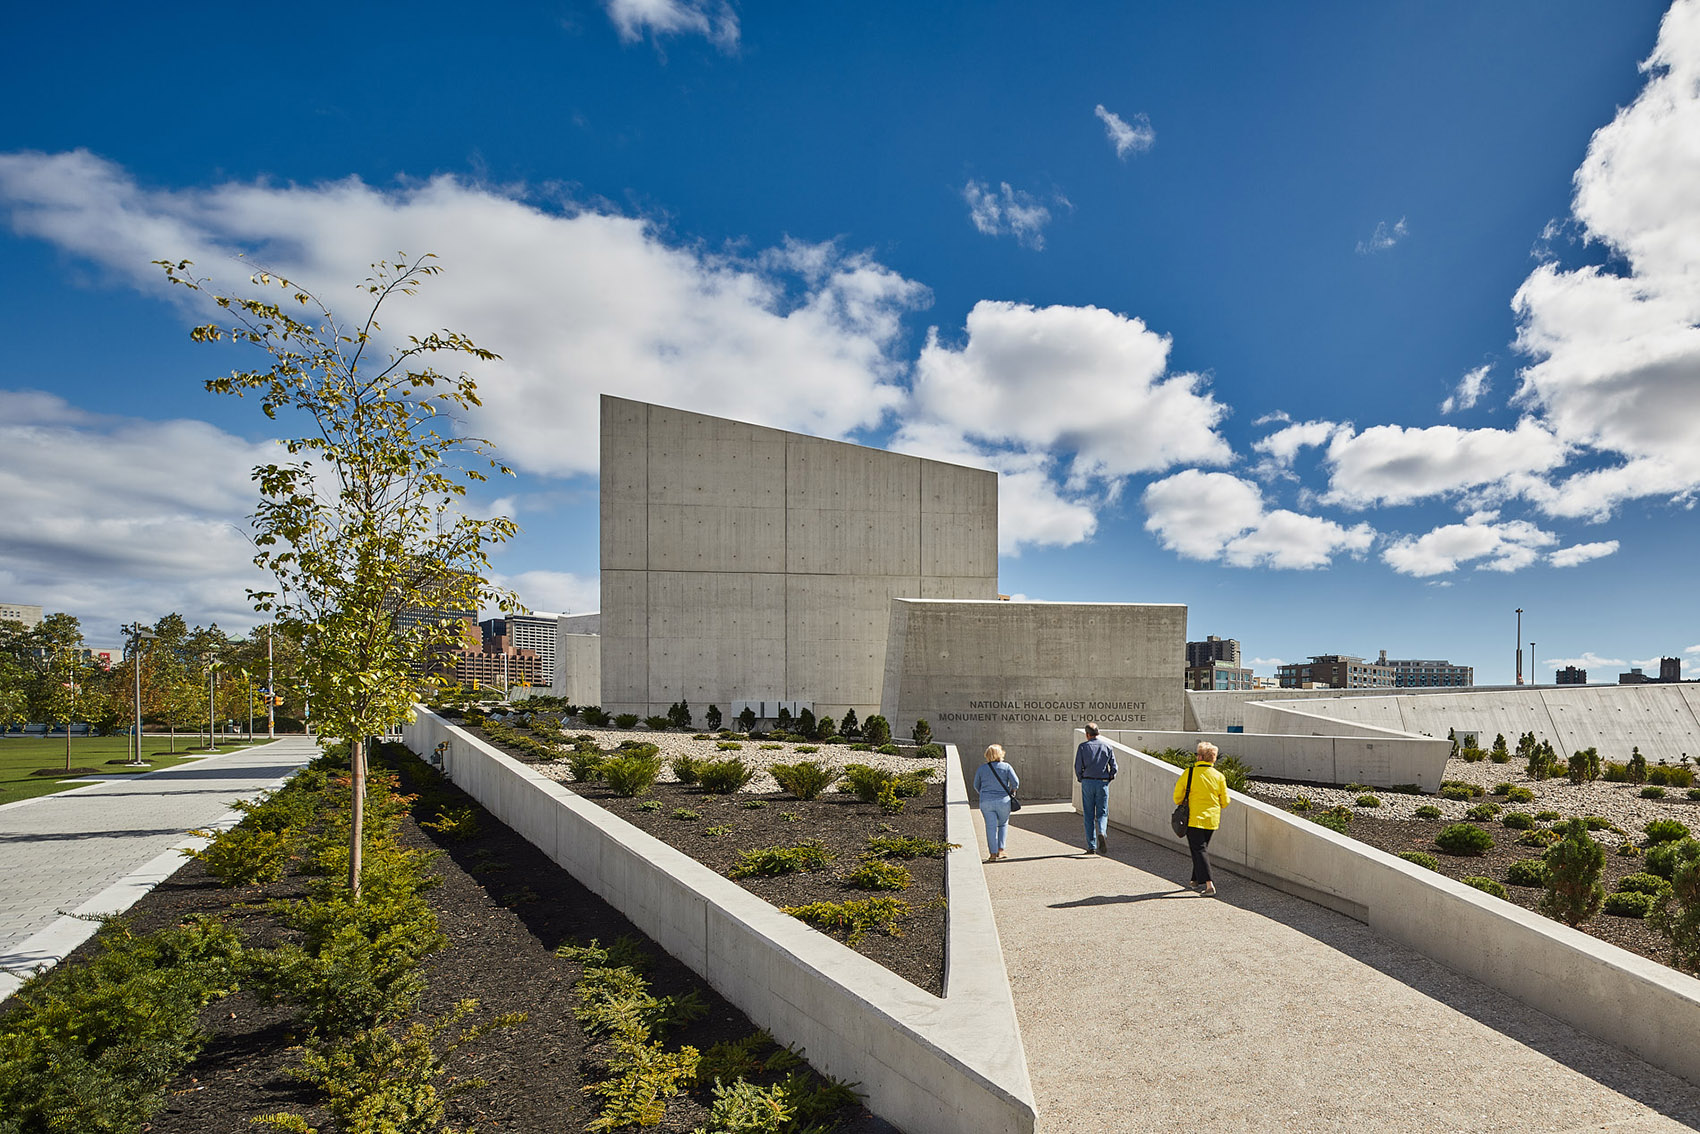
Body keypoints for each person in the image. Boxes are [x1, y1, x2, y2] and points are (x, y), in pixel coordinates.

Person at [1174, 740, 1231, 896]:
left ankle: (1208, 885)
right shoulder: (1219, 776)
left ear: (1199, 757)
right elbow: (1225, 801)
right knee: (1200, 849)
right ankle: (1194, 880)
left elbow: (1177, 797)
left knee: (1199, 850)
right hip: (1212, 820)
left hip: (1194, 818)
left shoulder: (1189, 773)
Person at [1074, 723, 1118, 854]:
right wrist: (1109, 778)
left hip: (1088, 781)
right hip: (1102, 782)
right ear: (1098, 733)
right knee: (1103, 812)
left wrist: (1081, 778)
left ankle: (1091, 846)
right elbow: (1114, 767)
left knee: (1088, 814)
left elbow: (1077, 766)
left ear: (1087, 734)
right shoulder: (1107, 747)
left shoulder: (1083, 747)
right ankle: (1102, 832)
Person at [973, 744, 1019, 862]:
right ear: (1001, 754)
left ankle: (992, 854)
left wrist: (984, 793)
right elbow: (1016, 783)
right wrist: (1012, 791)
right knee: (1003, 824)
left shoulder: (981, 769)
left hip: (986, 801)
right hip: (1003, 801)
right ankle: (1001, 850)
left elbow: (976, 785)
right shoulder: (1006, 767)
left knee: (990, 827)